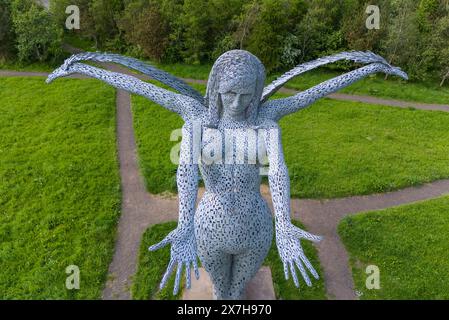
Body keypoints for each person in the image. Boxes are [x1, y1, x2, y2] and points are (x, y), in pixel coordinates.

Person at [47, 49, 407, 299]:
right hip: (209, 223)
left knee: (238, 288)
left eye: (245, 95)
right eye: (229, 93)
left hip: (257, 224)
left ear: (255, 93)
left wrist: (369, 69)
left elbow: (309, 100)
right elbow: (143, 89)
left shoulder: (265, 120)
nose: (236, 103)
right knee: (222, 290)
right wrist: (84, 66)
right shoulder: (197, 118)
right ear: (217, 88)